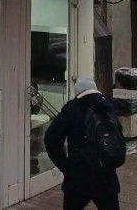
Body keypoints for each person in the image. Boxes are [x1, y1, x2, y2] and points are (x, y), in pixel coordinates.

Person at [45, 78, 125, 210]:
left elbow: (51, 139)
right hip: (106, 176)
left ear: (78, 92)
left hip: (78, 177)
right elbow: (119, 138)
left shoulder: (72, 108)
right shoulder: (108, 107)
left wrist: (66, 166)